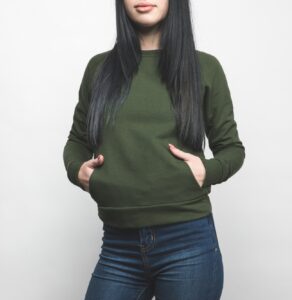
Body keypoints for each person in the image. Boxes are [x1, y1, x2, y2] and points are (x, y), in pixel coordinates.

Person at [63, 0, 245, 299]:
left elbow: (231, 149)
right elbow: (76, 140)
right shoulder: (100, 68)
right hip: (118, 244)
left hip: (187, 243)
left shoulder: (204, 67)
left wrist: (205, 171)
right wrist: (78, 171)